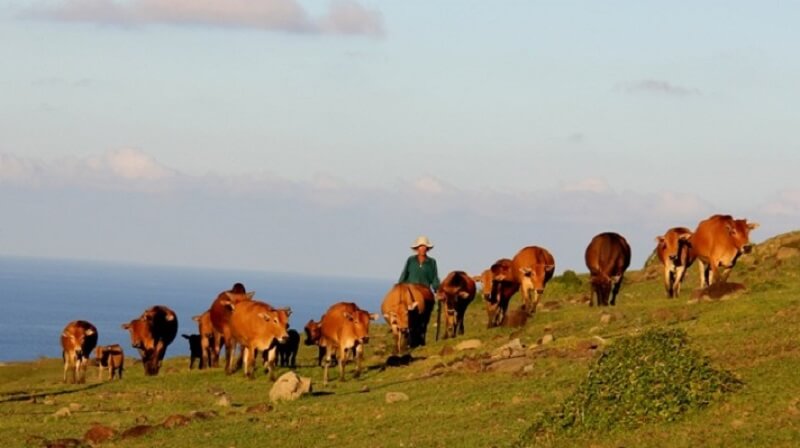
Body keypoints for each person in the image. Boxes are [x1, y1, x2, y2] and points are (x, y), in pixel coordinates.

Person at [398, 236, 441, 347]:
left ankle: (421, 339)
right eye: (420, 246)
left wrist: (437, 289)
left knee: (424, 319)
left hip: (425, 290)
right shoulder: (410, 260)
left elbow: (434, 278)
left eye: (424, 246)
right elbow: (404, 274)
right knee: (409, 317)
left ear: (427, 249)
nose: (422, 249)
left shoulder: (432, 262)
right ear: (417, 248)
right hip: (410, 291)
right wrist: (400, 286)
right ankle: (408, 341)